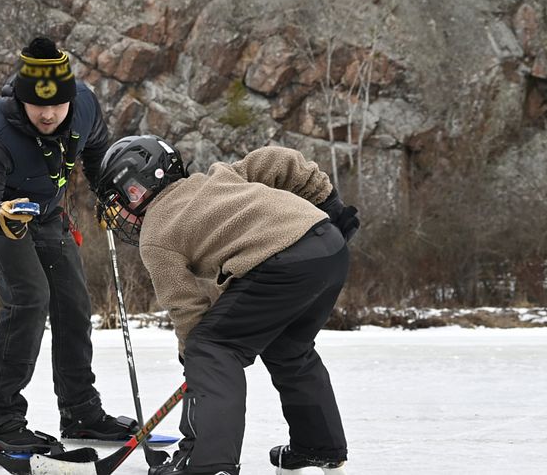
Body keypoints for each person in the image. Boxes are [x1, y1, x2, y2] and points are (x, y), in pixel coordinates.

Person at [94, 136, 360, 475]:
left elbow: (187, 308)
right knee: (289, 348)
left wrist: (195, 358)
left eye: (120, 201)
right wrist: (330, 204)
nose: (121, 215)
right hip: (328, 245)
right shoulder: (219, 176)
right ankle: (318, 447)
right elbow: (276, 160)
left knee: (211, 349)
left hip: (283, 262)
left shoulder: (155, 235)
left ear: (139, 186)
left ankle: (209, 463)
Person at [0, 36, 135, 456]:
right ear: (20, 100)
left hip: (49, 213)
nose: (50, 114)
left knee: (74, 305)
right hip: (1, 216)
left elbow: (95, 150)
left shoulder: (84, 106)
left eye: (58, 105)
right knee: (29, 299)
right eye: (39, 106)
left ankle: (80, 411)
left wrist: (106, 191)